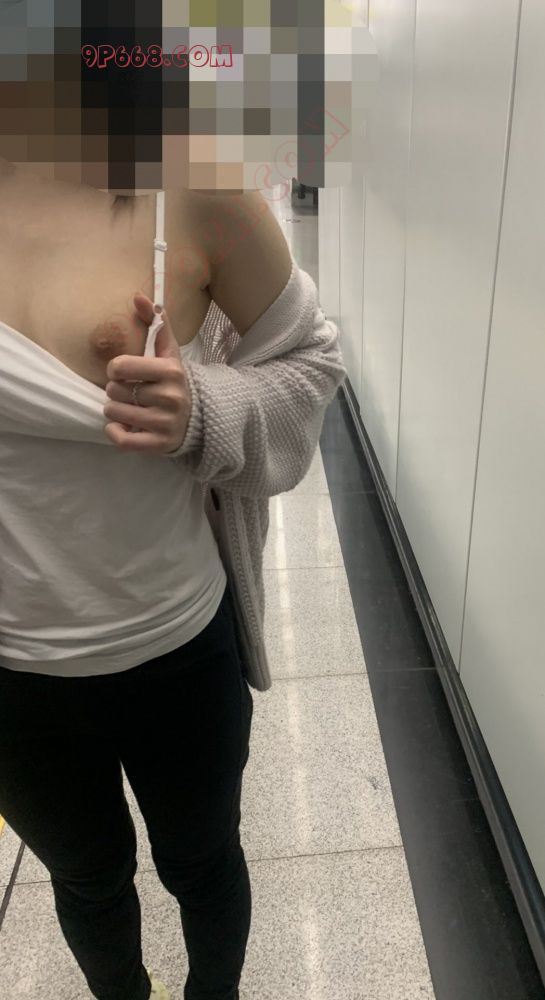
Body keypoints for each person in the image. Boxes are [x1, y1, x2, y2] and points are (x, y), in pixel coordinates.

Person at [0, 162, 294, 1000]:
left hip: (175, 641)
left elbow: (305, 366)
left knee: (202, 861)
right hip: (14, 673)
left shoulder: (194, 186)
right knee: (85, 877)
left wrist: (204, 412)